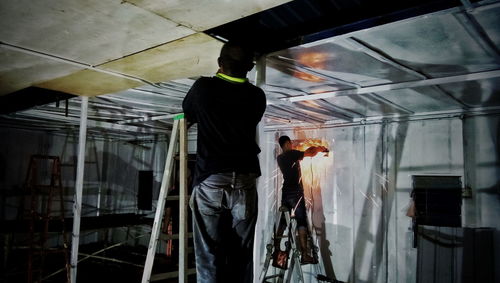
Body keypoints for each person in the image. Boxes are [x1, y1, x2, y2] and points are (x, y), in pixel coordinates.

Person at [182, 41, 266, 283]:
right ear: (249, 68)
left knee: (209, 254)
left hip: (211, 179)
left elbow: (188, 113)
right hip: (245, 180)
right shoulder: (257, 96)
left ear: (220, 64)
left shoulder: (203, 88)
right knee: (242, 254)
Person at [274, 135, 327, 266]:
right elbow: (309, 152)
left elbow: (297, 155)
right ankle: (304, 255)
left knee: (283, 221)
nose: (292, 145)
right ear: (287, 144)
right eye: (290, 143)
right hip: (296, 193)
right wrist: (320, 148)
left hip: (285, 192)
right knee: (301, 221)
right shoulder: (292, 154)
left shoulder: (280, 158)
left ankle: (276, 249)